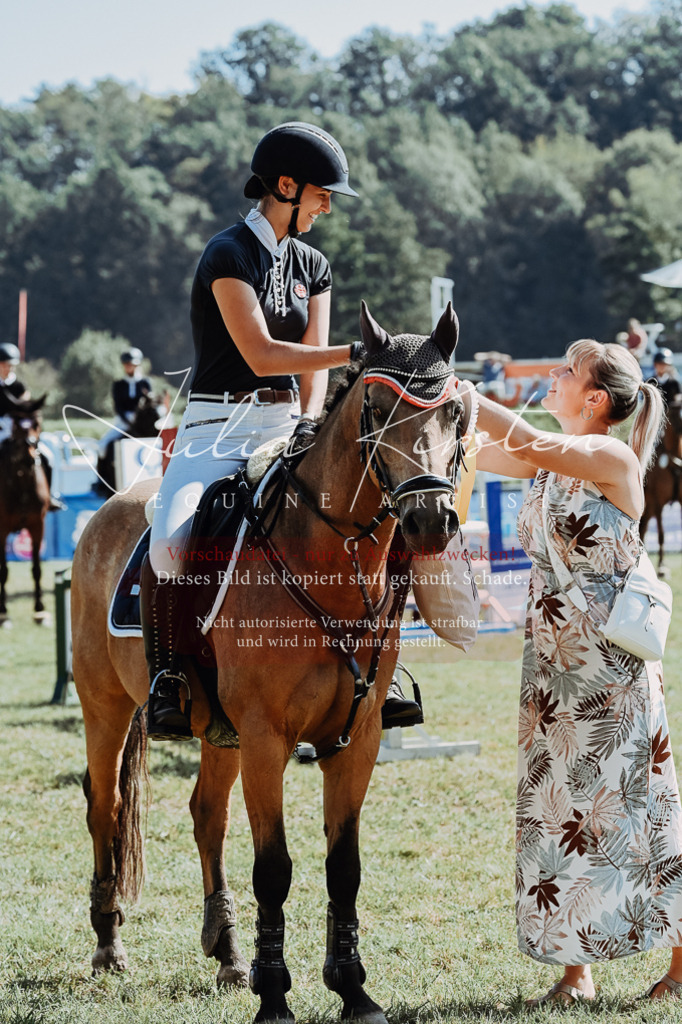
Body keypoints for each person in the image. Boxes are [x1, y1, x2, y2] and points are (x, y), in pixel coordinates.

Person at [144, 121, 420, 740]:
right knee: (172, 539)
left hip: (288, 426)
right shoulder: (226, 254)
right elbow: (265, 355)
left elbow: (311, 357)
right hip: (216, 429)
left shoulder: (313, 264)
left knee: (374, 523)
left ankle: (383, 669)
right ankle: (169, 675)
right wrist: (360, 352)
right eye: (323, 194)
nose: (328, 206)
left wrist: (310, 424)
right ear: (286, 186)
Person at [472, 339, 682, 1004]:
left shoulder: (609, 455)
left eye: (567, 372)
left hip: (611, 673)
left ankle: (681, 969)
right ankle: (576, 974)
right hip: (552, 671)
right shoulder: (546, 466)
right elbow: (480, 451)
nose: (554, 376)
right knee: (558, 815)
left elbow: (528, 443)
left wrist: (464, 392)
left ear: (596, 400)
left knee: (642, 815)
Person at [0, 342, 66, 511]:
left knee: (48, 457)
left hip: (19, 430)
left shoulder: (20, 386)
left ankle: (50, 496)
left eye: (12, 365)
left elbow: (27, 409)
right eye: (6, 365)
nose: (9, 369)